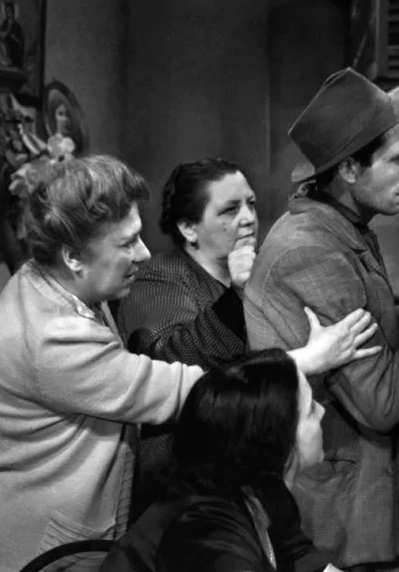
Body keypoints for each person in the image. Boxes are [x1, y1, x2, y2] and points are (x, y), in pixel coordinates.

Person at [0, 155, 374, 572]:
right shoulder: (52, 335)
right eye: (126, 243)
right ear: (72, 256)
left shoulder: (49, 279)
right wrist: (306, 360)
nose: (143, 253)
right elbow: (179, 388)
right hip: (18, 557)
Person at [244, 67, 399, 572]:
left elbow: (378, 340)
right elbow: (381, 398)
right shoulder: (312, 250)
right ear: (349, 168)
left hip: (367, 507)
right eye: (398, 158)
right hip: (338, 524)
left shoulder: (341, 228)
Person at [116, 157, 381, 513]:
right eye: (230, 210)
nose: (247, 218)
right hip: (184, 489)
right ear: (189, 228)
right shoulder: (161, 276)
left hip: (248, 478)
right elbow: (168, 357)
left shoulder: (256, 275)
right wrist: (235, 298)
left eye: (251, 204)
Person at [95, 349, 377, 572]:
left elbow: (304, 563)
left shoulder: (259, 488)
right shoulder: (205, 530)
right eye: (310, 410)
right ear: (275, 438)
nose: (322, 411)